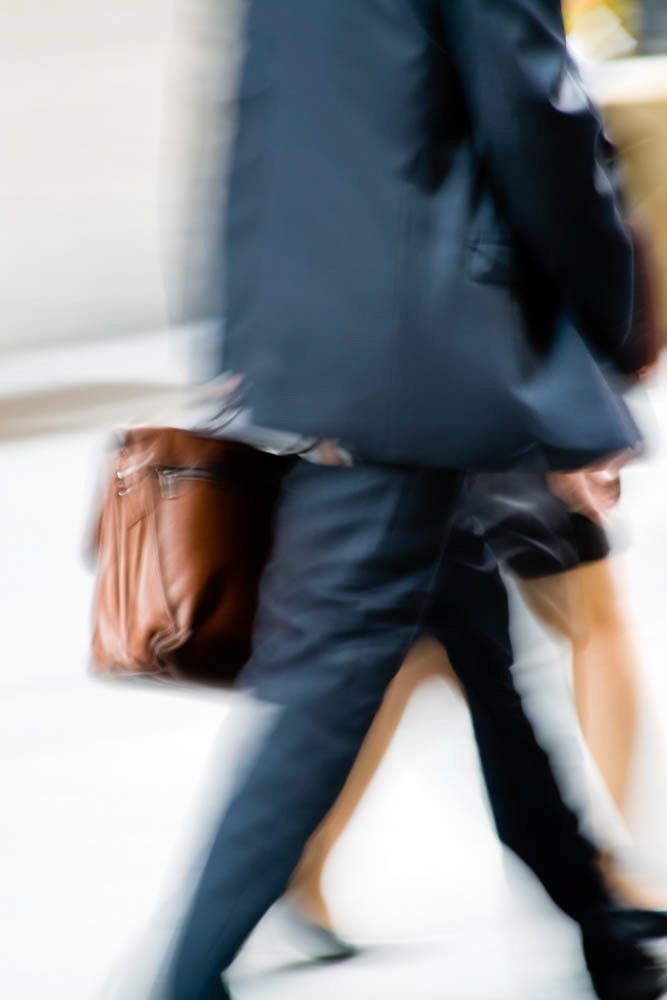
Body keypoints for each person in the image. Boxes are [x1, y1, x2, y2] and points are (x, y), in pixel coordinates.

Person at [154, 2, 666, 997]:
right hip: (427, 351)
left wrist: (242, 339)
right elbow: (539, 120)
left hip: (323, 333)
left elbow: (250, 120)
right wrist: (604, 333)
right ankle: (180, 976)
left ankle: (601, 925)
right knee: (329, 674)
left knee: (473, 634)